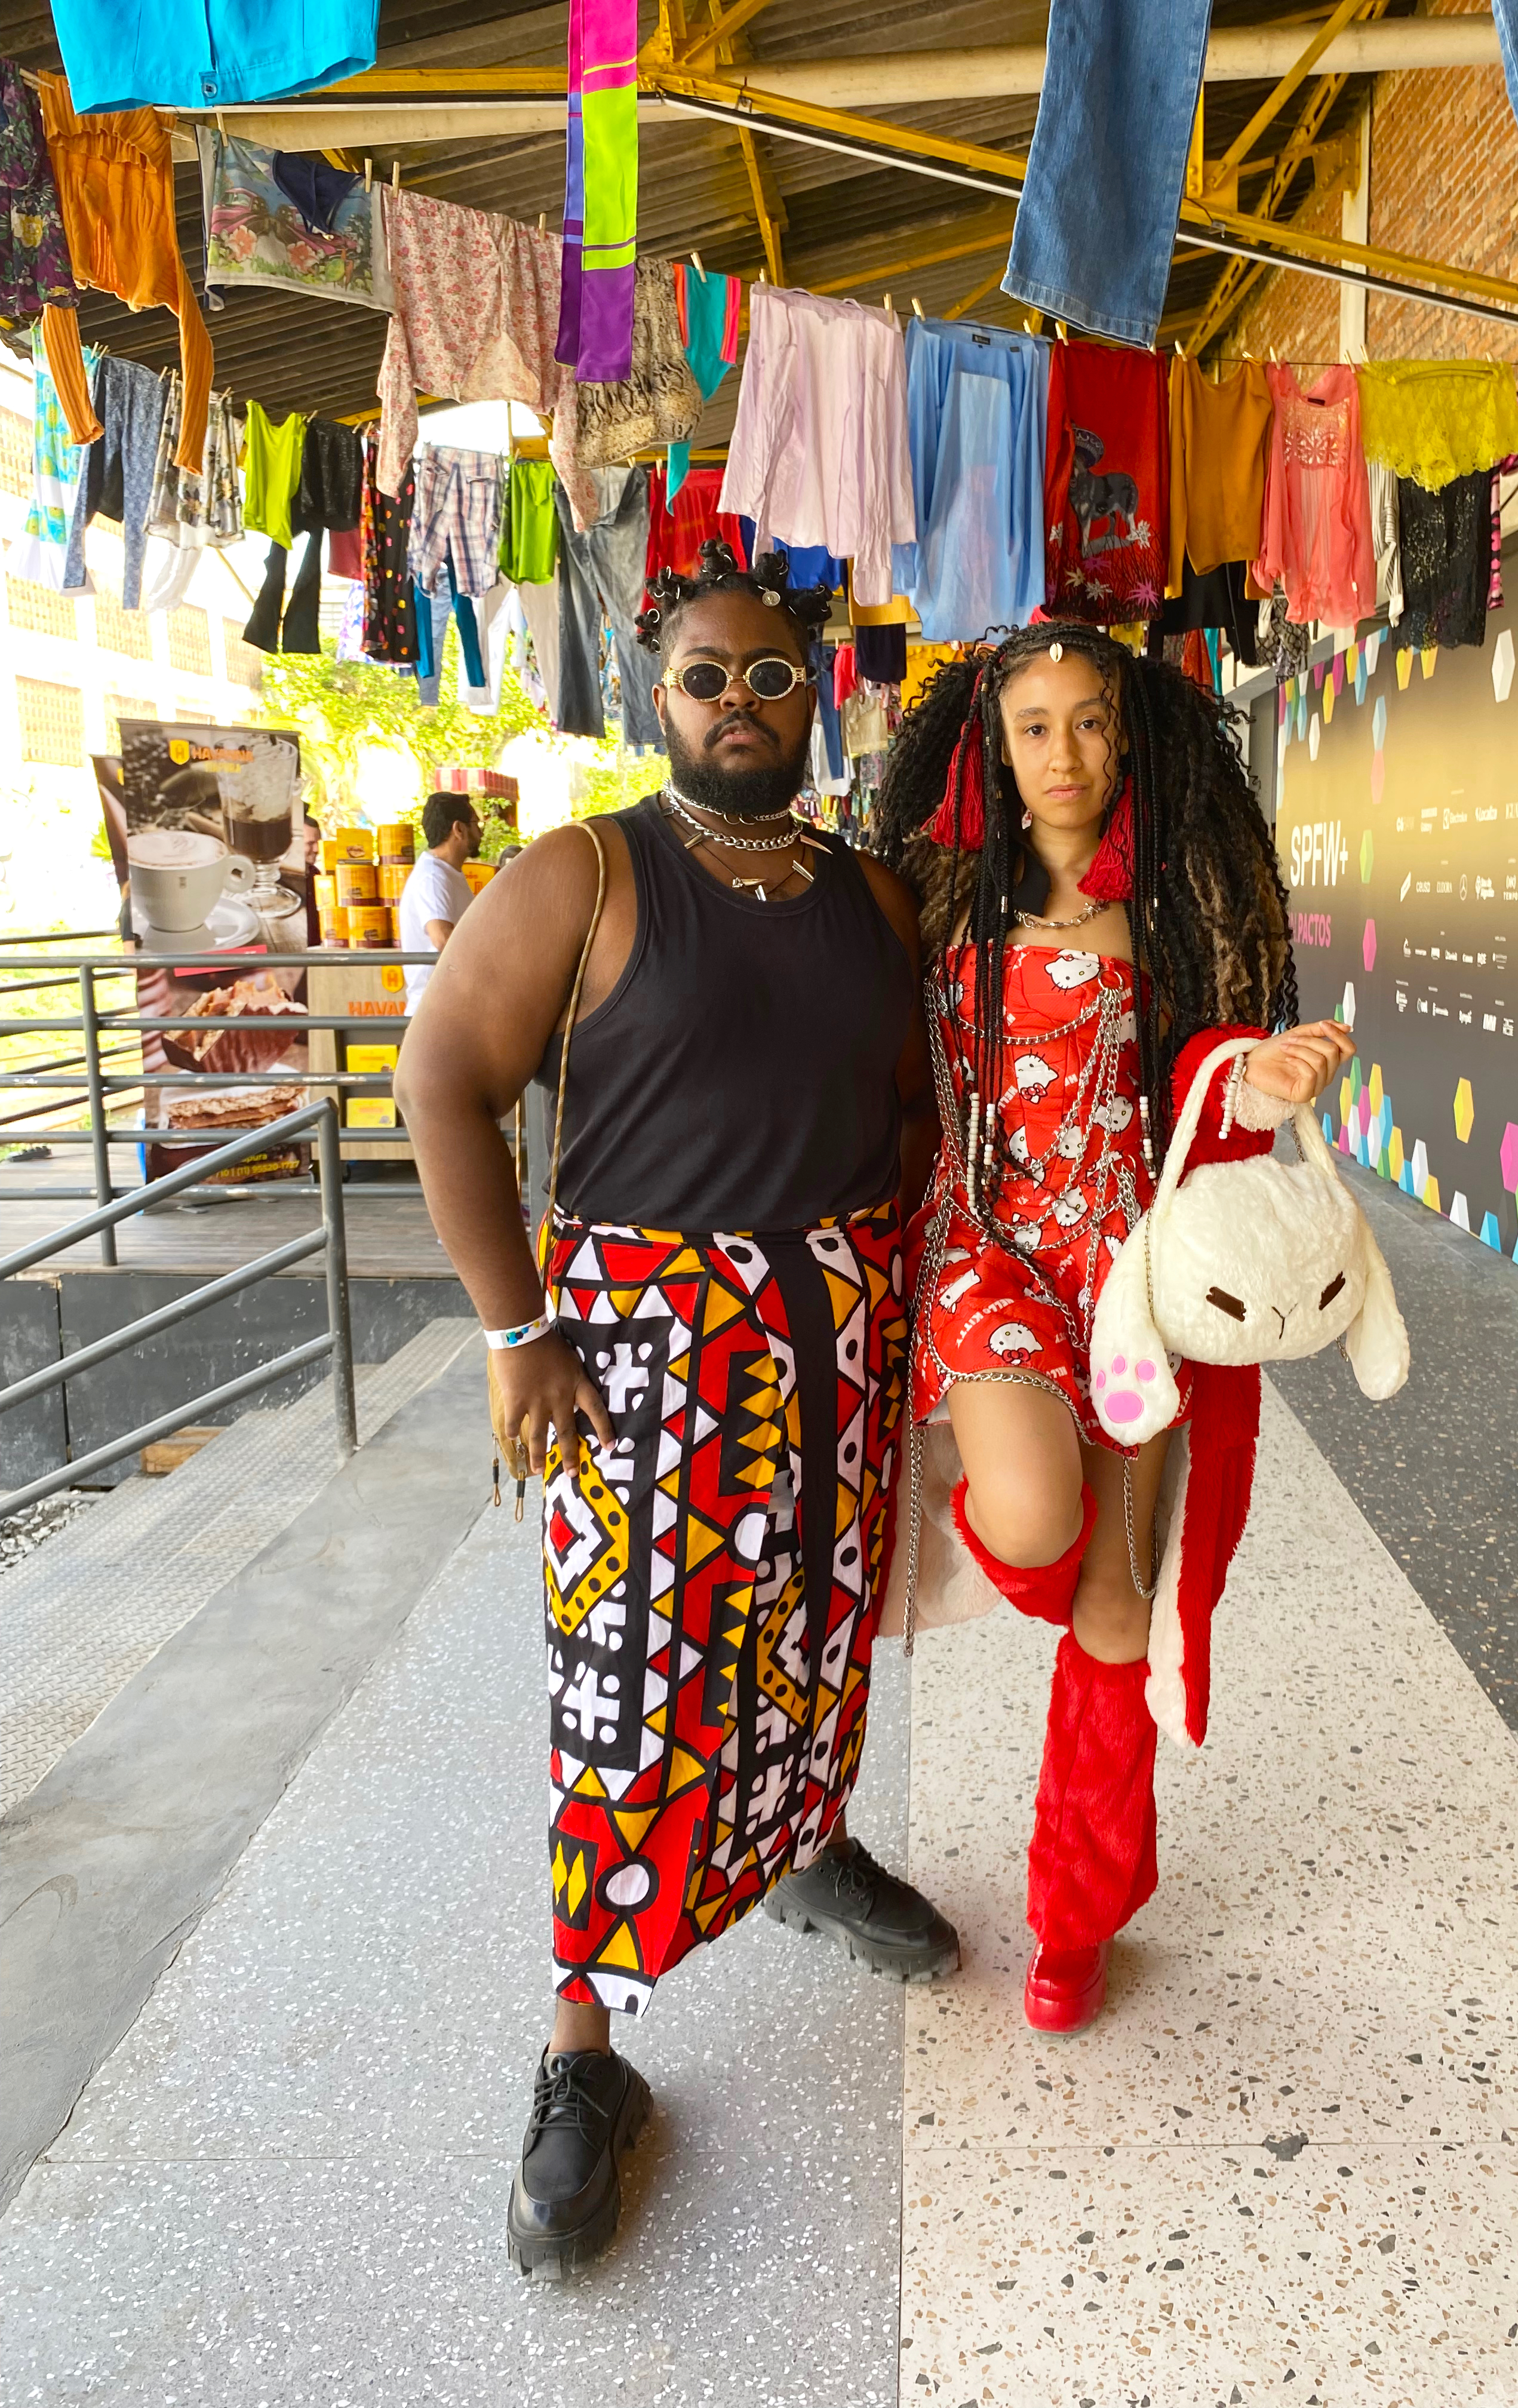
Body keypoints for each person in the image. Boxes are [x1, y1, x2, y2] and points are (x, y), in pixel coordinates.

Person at [394, 542, 959, 2279]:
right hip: (639, 1364)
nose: (738, 703)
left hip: (835, 1351)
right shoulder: (587, 871)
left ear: (818, 693)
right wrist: (514, 1329)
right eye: (707, 676)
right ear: (658, 693)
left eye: (771, 675)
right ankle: (582, 2057)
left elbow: (917, 1113)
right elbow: (443, 1078)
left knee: (812, 1637)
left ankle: (801, 1841)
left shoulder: (871, 897)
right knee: (629, 1695)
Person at [871, 621, 1353, 2036]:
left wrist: (1256, 1073)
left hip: (1137, 1281)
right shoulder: (941, 898)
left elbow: (1208, 1059)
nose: (1066, 753)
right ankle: (1037, 1531)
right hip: (987, 1255)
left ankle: (1077, 1917)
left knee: (1119, 1617)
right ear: (992, 744)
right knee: (1028, 1521)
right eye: (1036, 726)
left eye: (1091, 721)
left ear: (1127, 733)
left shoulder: (1184, 895)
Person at [398, 790, 481, 1010]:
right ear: (459, 829)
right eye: (476, 824)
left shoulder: (446, 873)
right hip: (435, 1011)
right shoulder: (433, 877)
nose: (480, 832)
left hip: (450, 1006)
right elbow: (442, 938)